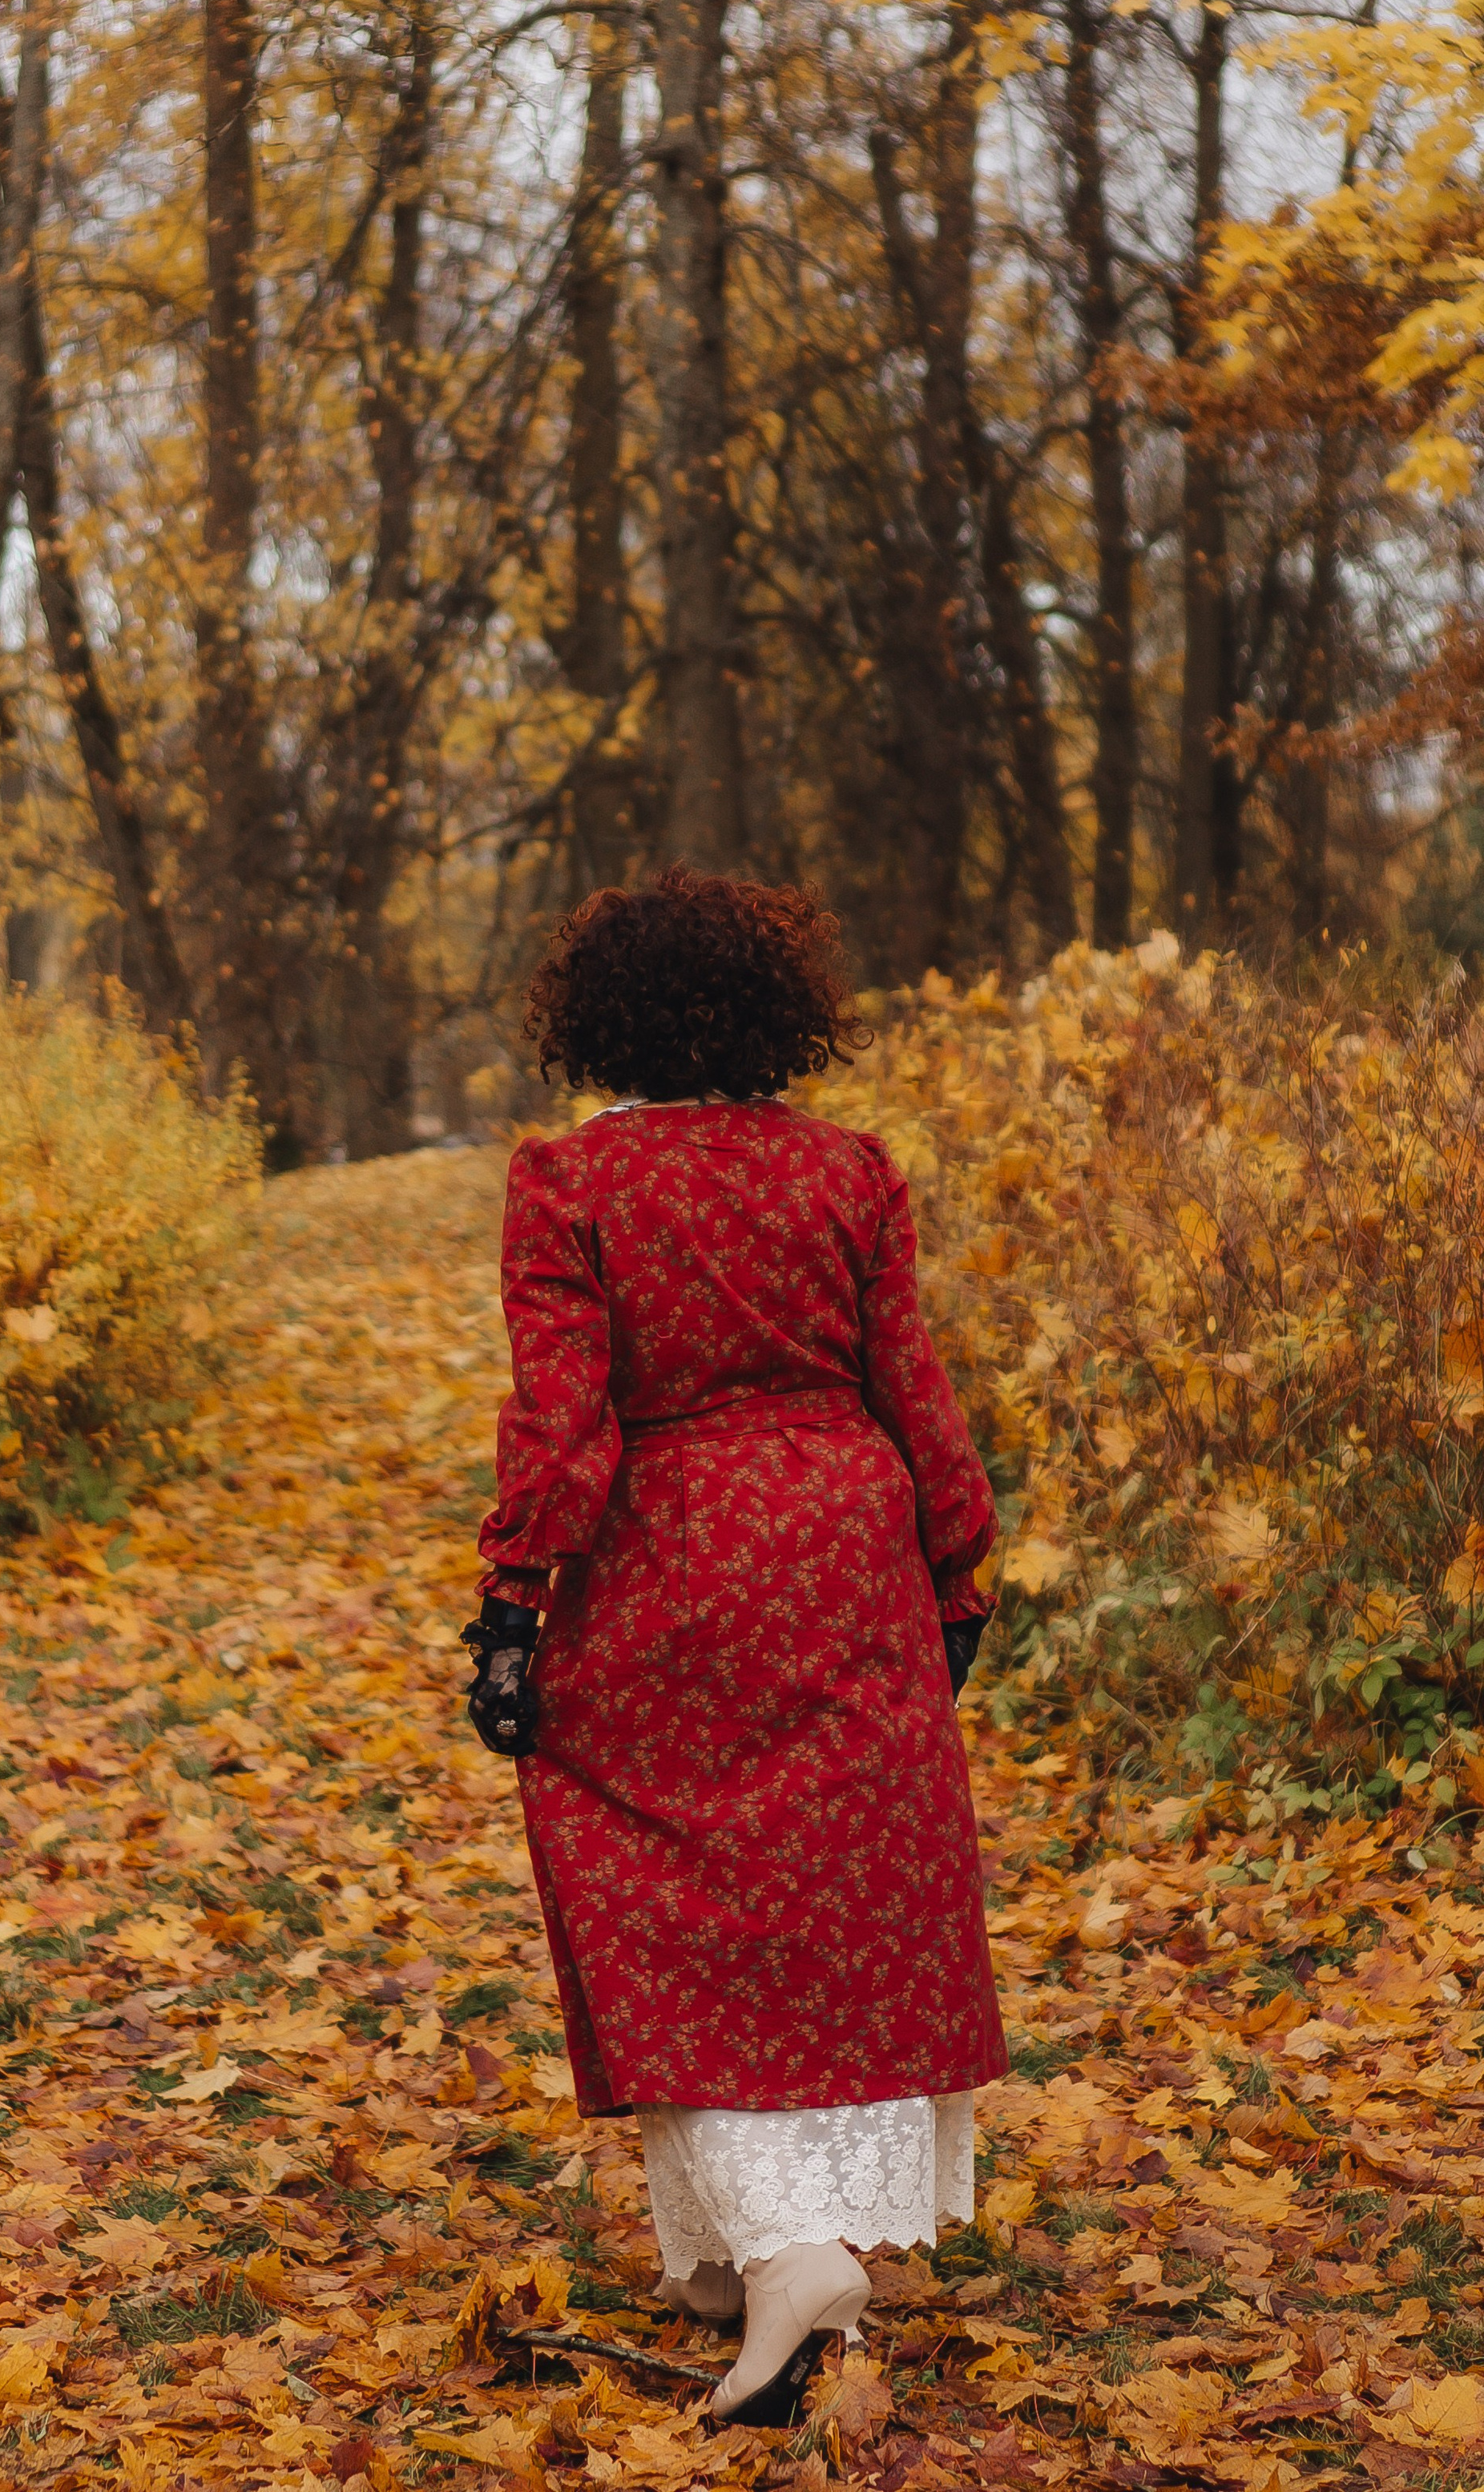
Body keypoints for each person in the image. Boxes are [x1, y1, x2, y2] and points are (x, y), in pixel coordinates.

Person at [461, 868, 1006, 2427]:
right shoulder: (847, 1171)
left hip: (668, 1562)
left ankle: (781, 2252)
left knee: (658, 1888)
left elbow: (561, 1422)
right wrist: (952, 1569)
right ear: (779, 1010)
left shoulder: (568, 1183)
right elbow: (915, 1387)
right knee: (835, 1897)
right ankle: (737, 2255)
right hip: (845, 1544)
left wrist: (513, 1603)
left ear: (596, 1016)